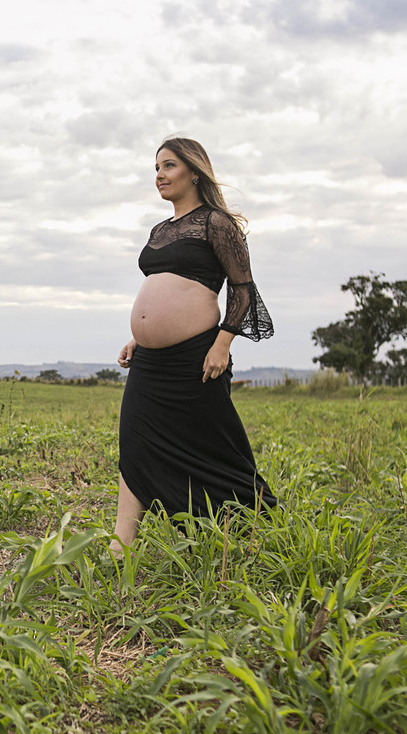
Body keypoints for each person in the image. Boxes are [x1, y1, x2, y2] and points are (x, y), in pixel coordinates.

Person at [112, 137, 277, 554]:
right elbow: (163, 289)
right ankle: (120, 546)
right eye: (156, 168)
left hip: (197, 357)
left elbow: (242, 291)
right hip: (150, 360)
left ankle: (254, 524)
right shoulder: (160, 230)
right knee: (135, 440)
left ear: (195, 171)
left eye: (168, 166)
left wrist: (222, 345)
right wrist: (140, 334)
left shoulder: (215, 223)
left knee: (213, 446)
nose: (159, 176)